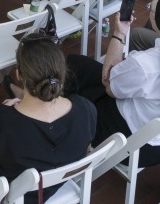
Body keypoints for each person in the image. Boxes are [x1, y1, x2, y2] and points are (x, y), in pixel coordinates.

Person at [0, 35, 96, 204]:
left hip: (6, 192)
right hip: (54, 186)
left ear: (19, 74)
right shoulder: (85, 108)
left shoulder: (1, 118)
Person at [66, 11, 160, 167]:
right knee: (84, 68)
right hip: (154, 146)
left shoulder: (146, 65)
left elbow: (109, 86)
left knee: (76, 69)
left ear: (155, 20)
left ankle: (53, 122)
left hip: (129, 143)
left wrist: (119, 34)